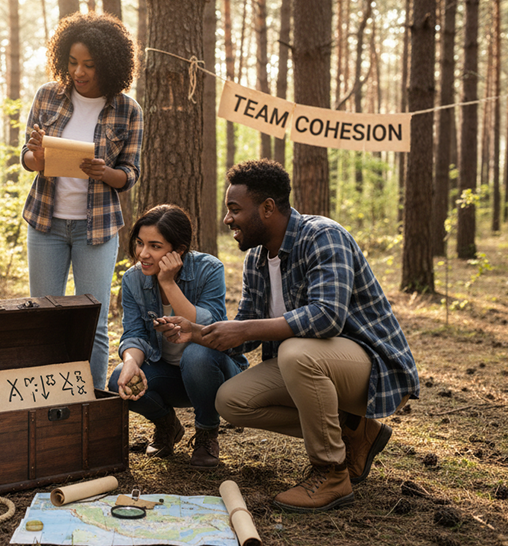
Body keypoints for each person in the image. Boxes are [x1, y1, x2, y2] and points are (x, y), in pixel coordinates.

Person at [157, 159, 419, 512]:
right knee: (231, 400)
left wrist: (244, 328)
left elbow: (326, 317)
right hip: (314, 367)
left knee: (296, 351)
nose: (227, 219)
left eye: (235, 209)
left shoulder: (323, 235)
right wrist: (197, 333)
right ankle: (353, 431)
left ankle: (331, 472)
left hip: (373, 369)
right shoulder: (257, 260)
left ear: (267, 208)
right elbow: (246, 332)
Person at [21, 12, 142, 390]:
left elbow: (130, 174)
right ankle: (47, 401)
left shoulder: (127, 110)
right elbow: (27, 158)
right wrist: (38, 155)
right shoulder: (47, 95)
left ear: (109, 64)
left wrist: (104, 172)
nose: (79, 72)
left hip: (98, 229)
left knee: (94, 321)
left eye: (89, 64)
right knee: (45, 318)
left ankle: (90, 404)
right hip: (46, 224)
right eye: (72, 62)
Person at [108, 205, 247, 469]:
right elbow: (134, 334)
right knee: (118, 379)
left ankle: (207, 431)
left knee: (197, 353)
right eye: (139, 243)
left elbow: (210, 330)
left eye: (155, 246)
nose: (143, 253)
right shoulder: (132, 279)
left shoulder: (209, 269)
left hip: (214, 371)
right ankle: (166, 424)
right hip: (170, 376)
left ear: (178, 251)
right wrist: (130, 361)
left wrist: (168, 283)